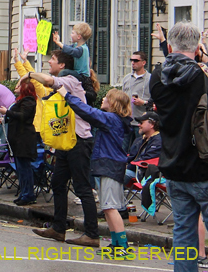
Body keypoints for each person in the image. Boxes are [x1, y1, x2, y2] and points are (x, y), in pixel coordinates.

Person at [25, 50, 100, 247]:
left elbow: (48, 81)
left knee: (83, 187)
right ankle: (58, 228)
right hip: (66, 140)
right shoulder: (66, 80)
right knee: (58, 183)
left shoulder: (70, 80)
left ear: (62, 65)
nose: (49, 62)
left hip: (79, 141)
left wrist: (30, 74)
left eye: (53, 59)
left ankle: (92, 234)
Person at [149, 22, 208, 272]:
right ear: (197, 48)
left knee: (183, 231)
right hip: (203, 165)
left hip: (173, 164)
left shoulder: (157, 77)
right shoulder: (202, 76)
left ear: (170, 46)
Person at [59, 85, 134, 258]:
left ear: (113, 102)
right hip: (109, 165)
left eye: (106, 97)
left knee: (110, 207)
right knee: (107, 208)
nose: (103, 99)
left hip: (110, 166)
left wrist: (66, 95)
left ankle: (123, 246)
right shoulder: (114, 119)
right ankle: (116, 243)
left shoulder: (111, 119)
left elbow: (88, 112)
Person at [4, 60, 39, 206]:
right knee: (20, 168)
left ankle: (28, 194)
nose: (16, 87)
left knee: (25, 168)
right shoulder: (19, 101)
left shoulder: (29, 101)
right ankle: (24, 193)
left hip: (24, 140)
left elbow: (23, 116)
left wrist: (7, 113)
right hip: (17, 140)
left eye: (19, 85)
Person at [122, 50, 152, 121]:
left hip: (143, 120)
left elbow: (156, 101)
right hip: (127, 120)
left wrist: (143, 102)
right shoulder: (127, 78)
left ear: (143, 62)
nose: (133, 63)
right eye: (131, 60)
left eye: (135, 60)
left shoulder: (150, 79)